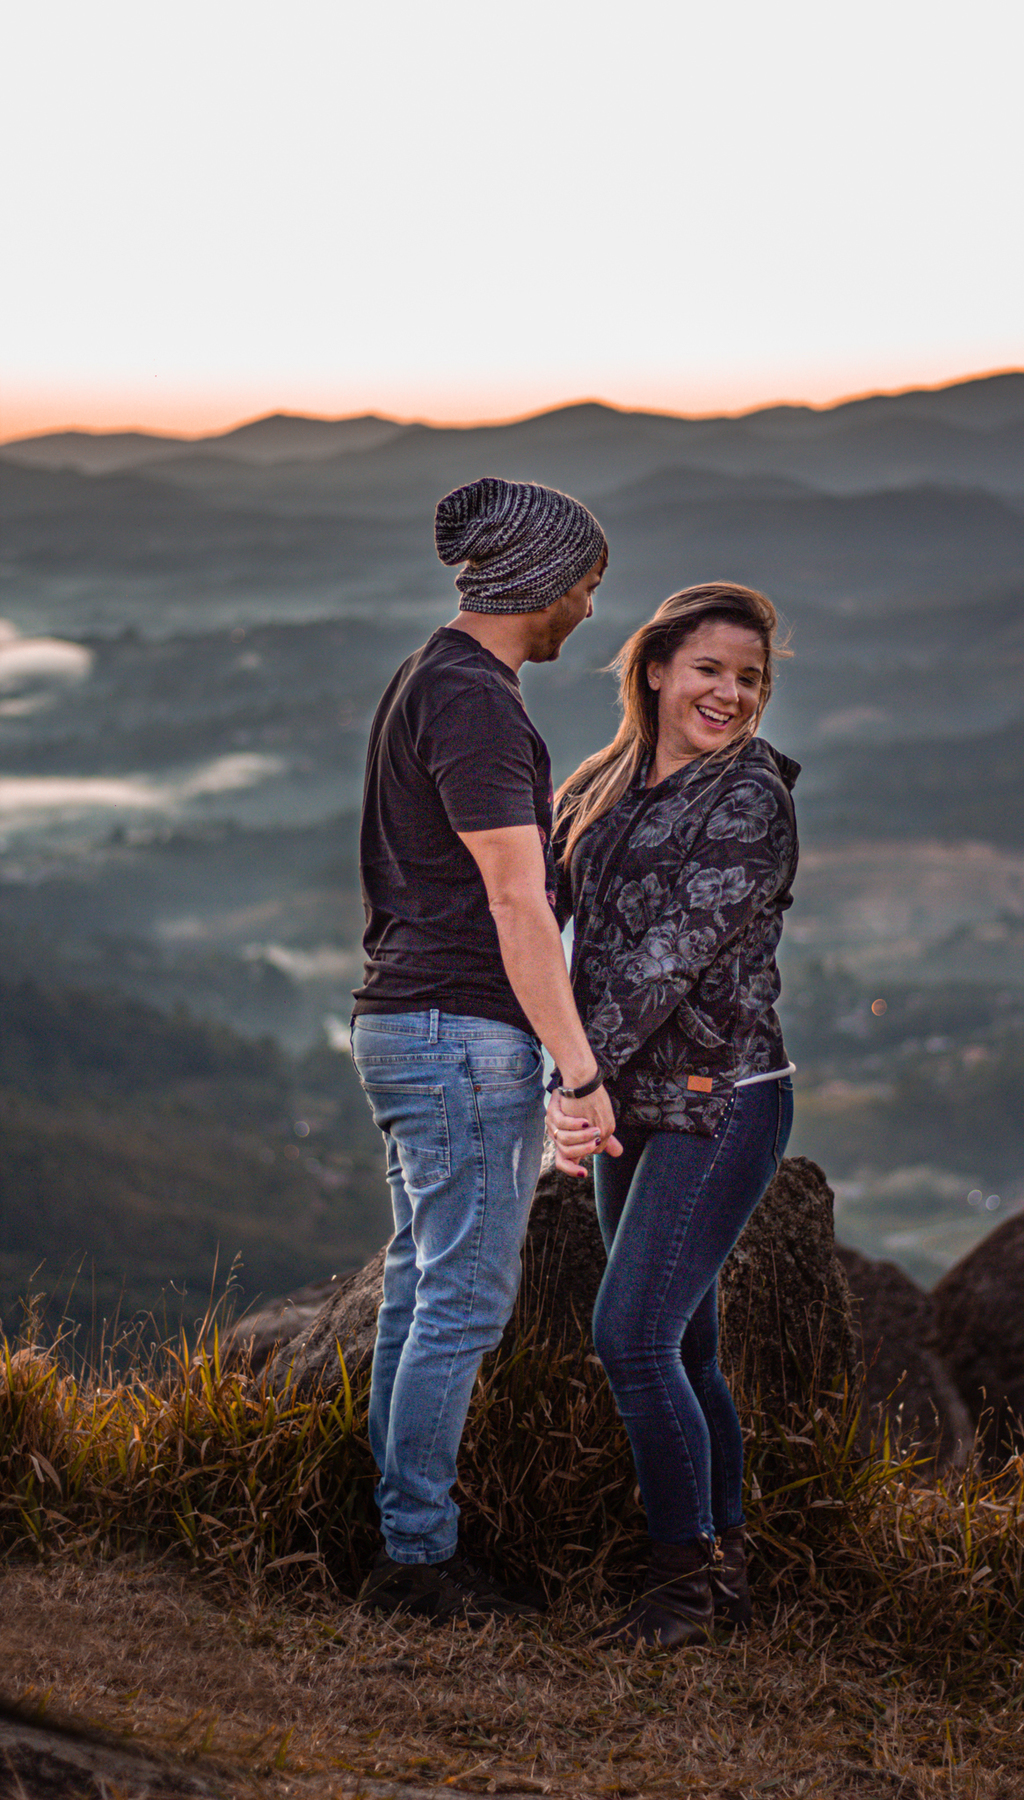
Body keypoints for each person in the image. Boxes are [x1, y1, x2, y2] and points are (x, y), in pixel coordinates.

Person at [352, 475, 621, 1624]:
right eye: (587, 584)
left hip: (405, 1022)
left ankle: (399, 1537)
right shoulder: (474, 701)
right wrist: (581, 1069)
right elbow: (518, 904)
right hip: (461, 1033)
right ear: (540, 579)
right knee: (461, 1298)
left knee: (422, 1288)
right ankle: (416, 1560)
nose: (591, 609)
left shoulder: (432, 676)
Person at [547, 582, 798, 1648]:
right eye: (709, 670)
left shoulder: (752, 797)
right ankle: (724, 1573)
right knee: (685, 1350)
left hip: (720, 1100)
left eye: (748, 677)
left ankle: (680, 1587)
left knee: (632, 1337)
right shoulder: (599, 782)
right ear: (654, 669)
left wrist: (572, 1083)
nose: (730, 693)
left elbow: (668, 960)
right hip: (628, 1100)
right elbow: (546, 918)